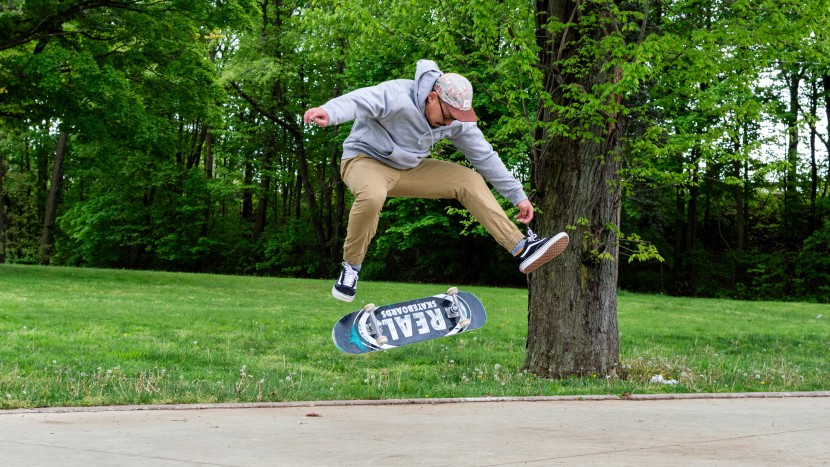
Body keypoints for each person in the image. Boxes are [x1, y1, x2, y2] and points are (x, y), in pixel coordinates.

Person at [304, 59, 569, 302]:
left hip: (408, 169)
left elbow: (485, 156)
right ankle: (350, 268)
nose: (449, 123)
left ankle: (522, 248)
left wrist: (517, 195)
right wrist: (329, 112)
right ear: (432, 97)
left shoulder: (455, 121)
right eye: (446, 115)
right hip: (364, 160)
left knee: (469, 179)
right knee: (373, 196)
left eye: (455, 118)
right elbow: (358, 100)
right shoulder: (397, 95)